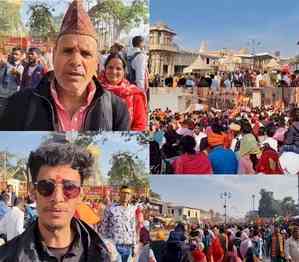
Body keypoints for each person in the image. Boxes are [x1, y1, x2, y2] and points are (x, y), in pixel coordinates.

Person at [0, 0, 129, 131]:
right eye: (67, 51)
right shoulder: (18, 104)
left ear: (97, 61)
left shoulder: (116, 109)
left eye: (85, 53)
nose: (76, 61)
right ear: (54, 55)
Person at [0, 142, 110, 261]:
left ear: (81, 195)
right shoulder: (6, 256)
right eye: (47, 187)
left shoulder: (104, 255)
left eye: (69, 188)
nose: (57, 198)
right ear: (32, 192)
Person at [99, 53, 147, 131]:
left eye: (118, 69)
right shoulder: (95, 90)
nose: (114, 72)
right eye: (110, 67)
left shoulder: (134, 94)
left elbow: (139, 126)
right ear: (105, 69)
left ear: (124, 72)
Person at [100, 185, 138, 262]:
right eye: (123, 193)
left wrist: (134, 246)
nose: (125, 195)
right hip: (114, 246)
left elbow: (133, 228)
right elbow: (104, 228)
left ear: (130, 196)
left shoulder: (132, 210)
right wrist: (107, 245)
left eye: (128, 193)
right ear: (119, 194)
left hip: (128, 246)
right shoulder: (110, 208)